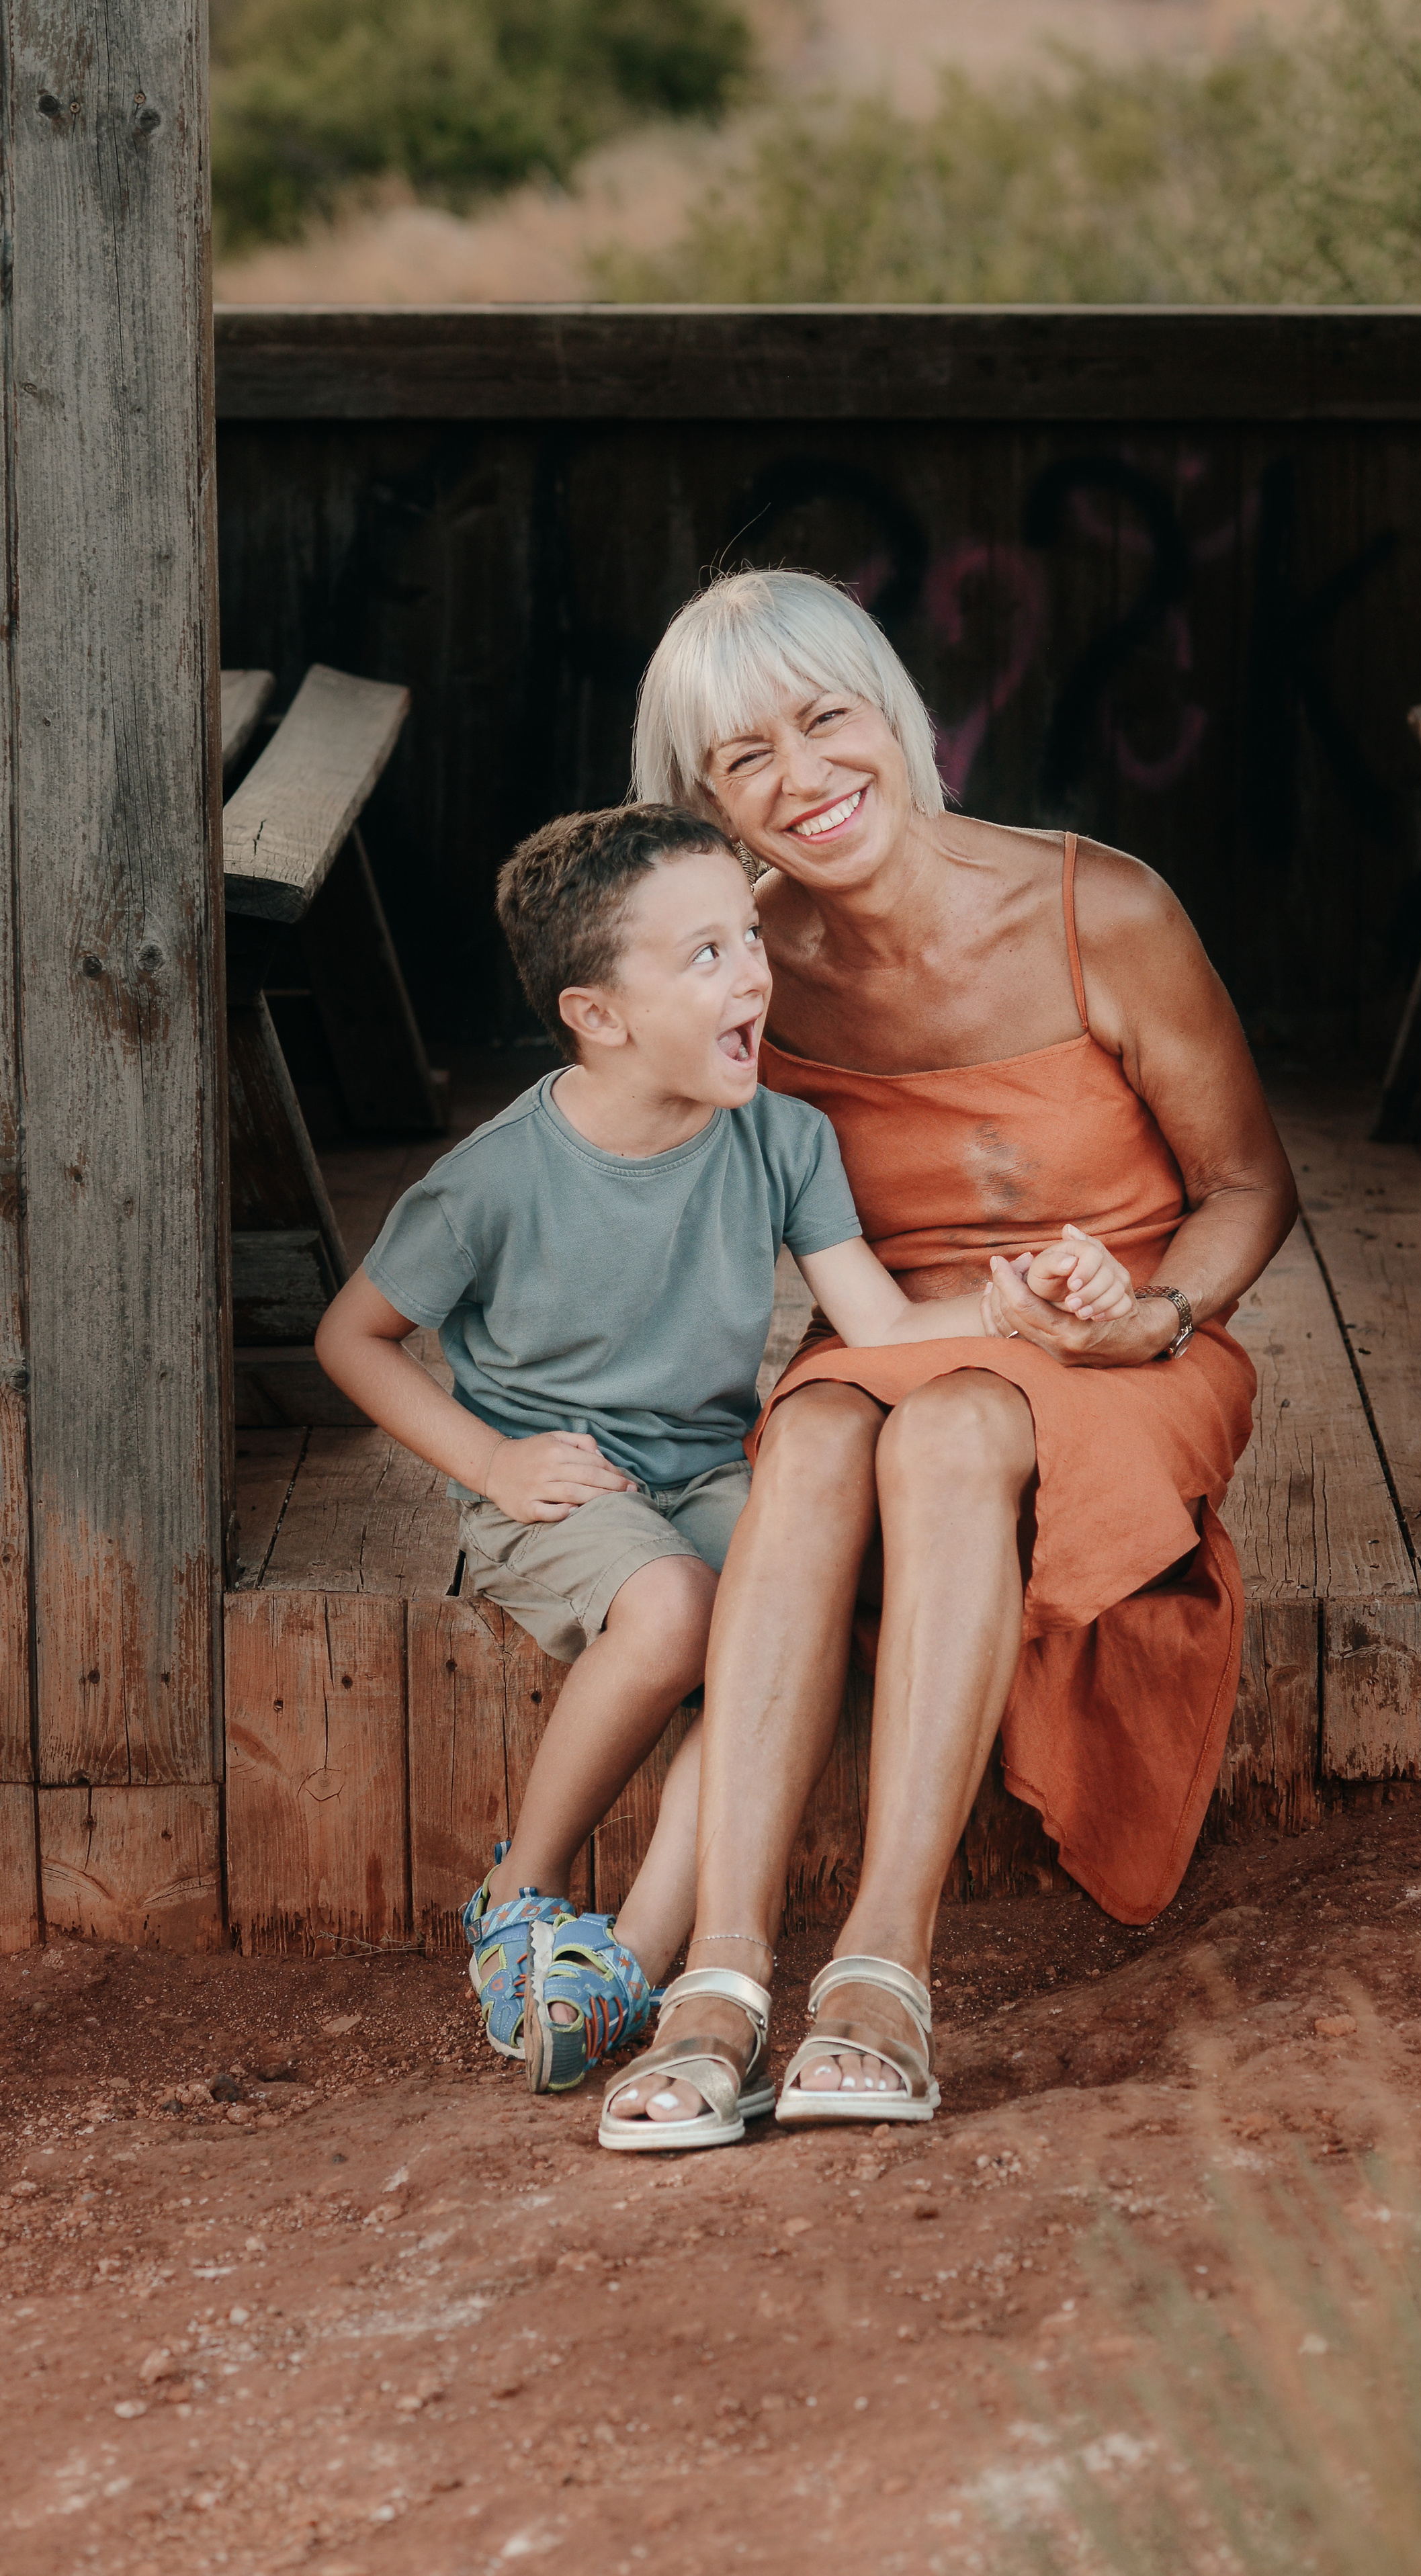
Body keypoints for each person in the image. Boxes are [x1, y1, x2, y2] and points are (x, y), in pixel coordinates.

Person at [600, 568, 1298, 2149]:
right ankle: (716, 1979)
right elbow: (631, 1171)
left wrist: (1147, 1312)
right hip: (896, 1326)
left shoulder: (1091, 907)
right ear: (701, 804)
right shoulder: (743, 968)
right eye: (742, 760)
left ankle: (880, 1975)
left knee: (948, 1433)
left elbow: (1250, 1185)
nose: (803, 778)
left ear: (895, 717)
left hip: (1128, 1341)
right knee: (832, 1433)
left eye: (825, 719)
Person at [314, 800, 1135, 2098]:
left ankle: (635, 1953)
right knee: (680, 1611)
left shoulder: (784, 1137)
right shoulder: (494, 1180)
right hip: (560, 1484)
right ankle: (520, 1898)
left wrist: (1001, 1310)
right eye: (705, 954)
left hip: (705, 1470)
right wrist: (491, 1466)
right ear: (599, 1012)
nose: (753, 972)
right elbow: (352, 1336)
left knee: (780, 1623)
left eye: (748, 936)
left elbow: (871, 1322)